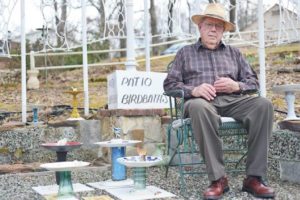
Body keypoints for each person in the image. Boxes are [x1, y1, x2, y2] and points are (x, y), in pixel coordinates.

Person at [163, 3, 275, 200]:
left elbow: (253, 82)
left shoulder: (234, 53)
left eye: (218, 26)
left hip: (233, 101)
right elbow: (170, 84)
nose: (213, 29)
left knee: (263, 105)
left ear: (223, 30)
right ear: (200, 27)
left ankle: (254, 178)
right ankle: (218, 180)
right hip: (200, 102)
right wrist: (193, 89)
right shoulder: (185, 53)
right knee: (198, 106)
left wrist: (236, 86)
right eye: (209, 25)